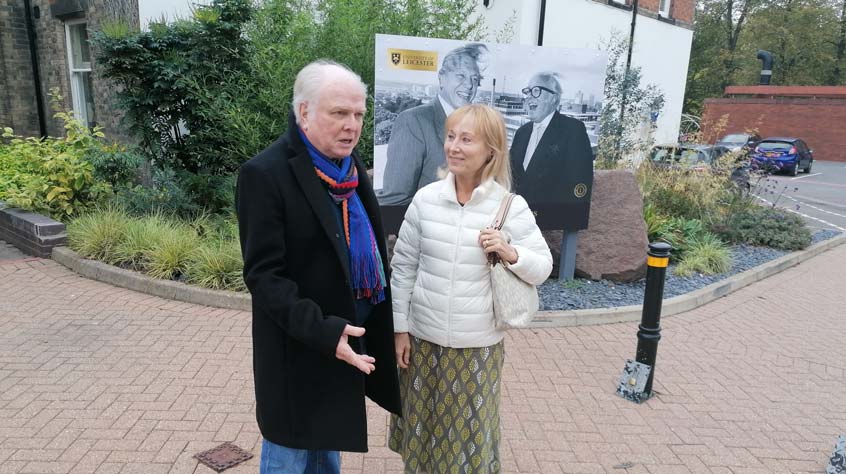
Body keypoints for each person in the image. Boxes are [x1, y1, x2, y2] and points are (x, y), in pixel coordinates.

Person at [236, 60, 401, 474]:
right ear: (304, 112)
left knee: (327, 447)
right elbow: (264, 276)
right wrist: (327, 332)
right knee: (291, 452)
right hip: (300, 345)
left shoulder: (349, 167)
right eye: (339, 113)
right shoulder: (264, 174)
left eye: (359, 114)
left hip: (344, 343)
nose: (352, 125)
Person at [388, 104, 553, 473]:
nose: (454, 147)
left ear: (491, 150)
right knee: (423, 437)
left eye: (466, 139)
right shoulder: (425, 200)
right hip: (423, 344)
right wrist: (399, 330)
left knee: (468, 445)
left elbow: (542, 267)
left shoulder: (510, 207)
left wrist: (510, 252)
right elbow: (402, 270)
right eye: (450, 137)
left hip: (477, 348)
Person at [377, 43, 489, 206]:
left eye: (474, 79)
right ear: (442, 78)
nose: (469, 85)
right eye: (461, 76)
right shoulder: (413, 122)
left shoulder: (478, 127)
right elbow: (395, 199)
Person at [510, 72, 593, 205]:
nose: (529, 97)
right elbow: (510, 176)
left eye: (536, 91)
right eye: (528, 92)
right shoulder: (521, 133)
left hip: (553, 220)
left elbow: (580, 183)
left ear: (554, 98)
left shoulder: (573, 130)